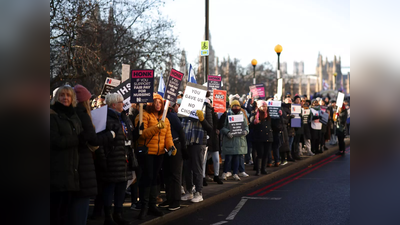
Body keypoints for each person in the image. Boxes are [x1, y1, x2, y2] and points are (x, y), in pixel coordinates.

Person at [71, 84, 114, 225]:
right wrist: (110, 135)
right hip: (84, 162)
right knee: (81, 203)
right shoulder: (82, 114)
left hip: (78, 163)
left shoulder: (72, 114)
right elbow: (93, 138)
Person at [135, 93, 176, 219]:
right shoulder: (143, 115)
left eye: (160, 102)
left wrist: (171, 147)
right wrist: (157, 127)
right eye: (155, 102)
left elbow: (167, 137)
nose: (158, 104)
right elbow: (142, 134)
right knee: (147, 178)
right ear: (150, 103)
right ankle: (144, 207)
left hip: (159, 153)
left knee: (154, 179)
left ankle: (152, 205)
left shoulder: (166, 119)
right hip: (147, 153)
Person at [95, 93, 134, 225]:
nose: (123, 104)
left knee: (121, 189)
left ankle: (118, 214)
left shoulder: (124, 118)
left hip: (124, 158)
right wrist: (103, 159)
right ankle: (108, 217)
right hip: (111, 160)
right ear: (113, 104)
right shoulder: (105, 118)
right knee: (109, 189)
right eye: (121, 102)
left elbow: (129, 135)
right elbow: (99, 141)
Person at [50, 85, 83, 225]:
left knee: (67, 211)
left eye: (68, 95)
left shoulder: (74, 116)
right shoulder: (52, 116)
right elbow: (55, 140)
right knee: (56, 212)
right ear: (56, 98)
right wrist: (77, 139)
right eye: (62, 95)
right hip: (57, 170)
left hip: (72, 170)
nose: (65, 98)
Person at [180, 95, 213, 203]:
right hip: (187, 141)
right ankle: (189, 191)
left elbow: (210, 128)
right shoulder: (185, 106)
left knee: (197, 168)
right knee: (187, 168)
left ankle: (199, 192)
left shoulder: (206, 107)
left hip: (198, 141)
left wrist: (202, 119)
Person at [158, 101, 188, 211]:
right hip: (164, 147)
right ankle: (169, 198)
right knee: (167, 174)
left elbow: (181, 131)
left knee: (175, 174)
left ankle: (176, 200)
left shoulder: (171, 116)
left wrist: (184, 147)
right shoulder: (161, 116)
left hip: (175, 146)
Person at [220, 100, 249, 180]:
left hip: (239, 140)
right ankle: (225, 172)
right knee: (228, 158)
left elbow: (246, 126)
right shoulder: (227, 115)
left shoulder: (242, 115)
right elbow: (222, 127)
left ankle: (235, 173)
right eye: (234, 106)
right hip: (230, 140)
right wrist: (227, 132)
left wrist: (245, 131)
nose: (236, 107)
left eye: (238, 106)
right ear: (231, 107)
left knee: (237, 157)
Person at [250, 100, 273, 175]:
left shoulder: (268, 115)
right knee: (260, 154)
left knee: (266, 154)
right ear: (259, 107)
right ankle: (258, 170)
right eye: (263, 106)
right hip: (259, 138)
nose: (265, 108)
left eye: (265, 106)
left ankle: (264, 169)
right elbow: (250, 125)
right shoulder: (255, 115)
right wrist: (254, 122)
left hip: (267, 137)